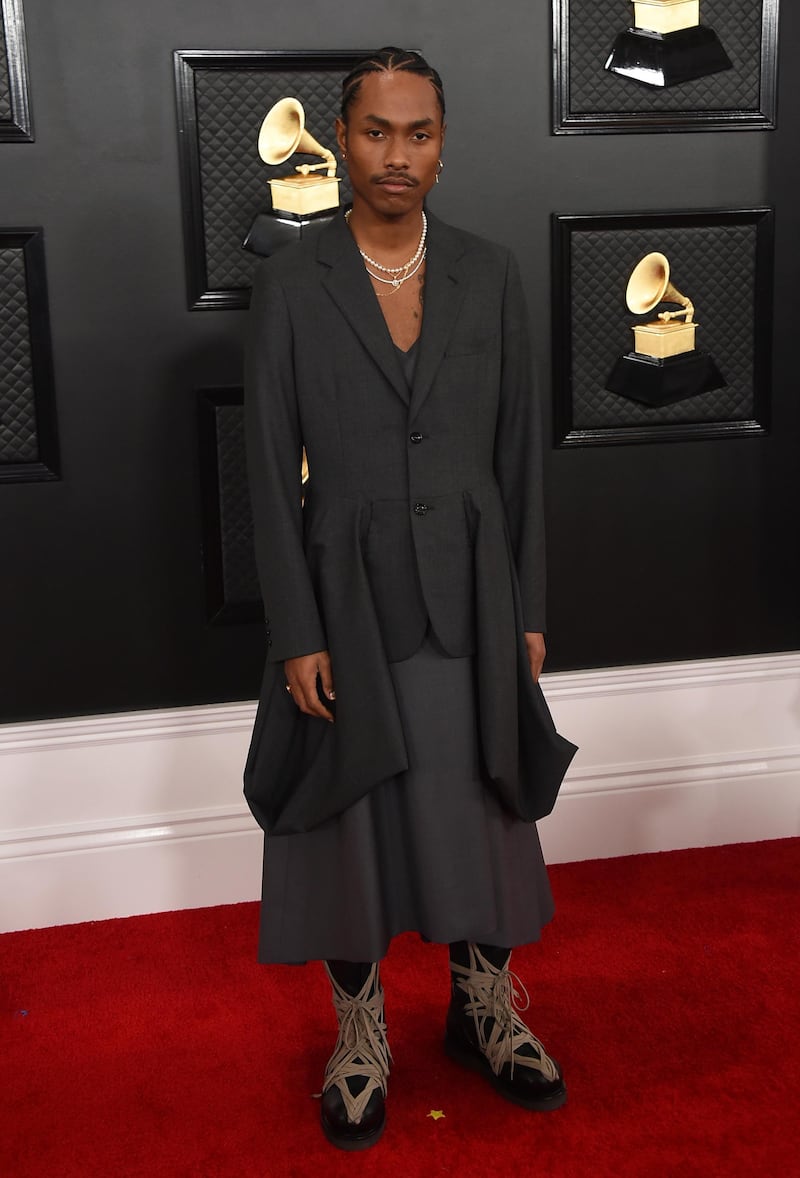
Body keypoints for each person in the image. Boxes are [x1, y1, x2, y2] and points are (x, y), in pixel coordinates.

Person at [243, 47, 577, 1152]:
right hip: (341, 594)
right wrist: (294, 625)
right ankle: (359, 1032)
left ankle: (482, 1012)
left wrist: (525, 604)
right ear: (343, 139)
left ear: (443, 141)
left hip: (473, 588)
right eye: (376, 132)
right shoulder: (292, 279)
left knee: (481, 808)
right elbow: (261, 464)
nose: (397, 156)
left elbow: (518, 451)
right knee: (347, 821)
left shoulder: (488, 271)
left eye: (418, 133)